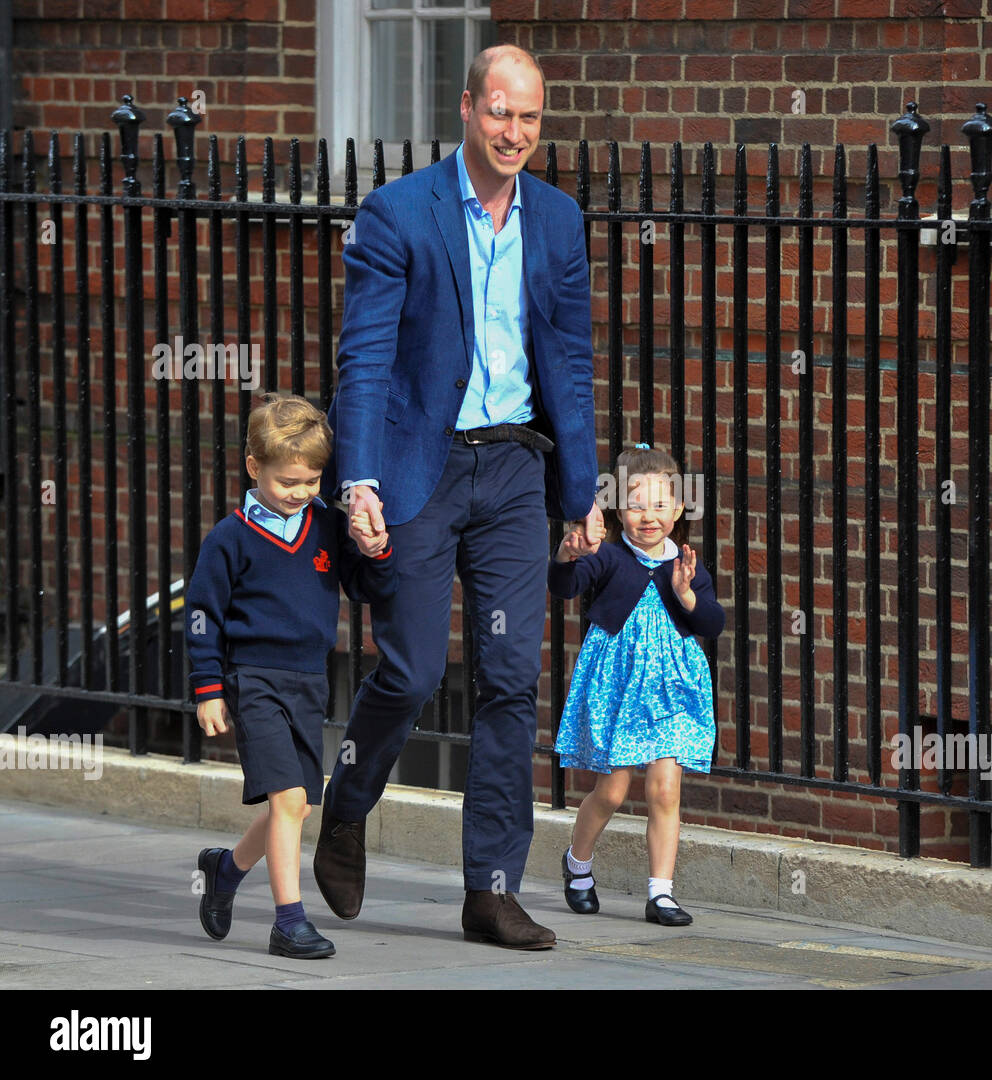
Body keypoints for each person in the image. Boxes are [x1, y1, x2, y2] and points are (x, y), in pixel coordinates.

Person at [315, 43, 603, 950]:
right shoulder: (398, 213)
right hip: (420, 468)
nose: (514, 133)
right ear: (468, 107)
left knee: (511, 677)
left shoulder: (558, 221)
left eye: (529, 118)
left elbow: (572, 363)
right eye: (499, 113)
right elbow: (362, 360)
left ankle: (490, 888)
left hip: (516, 469)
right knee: (411, 671)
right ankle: (348, 801)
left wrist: (580, 490)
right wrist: (357, 477)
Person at [185, 393, 396, 958]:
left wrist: (375, 550)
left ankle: (225, 871)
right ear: (254, 468)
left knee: (299, 803)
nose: (302, 491)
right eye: (288, 481)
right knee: (286, 798)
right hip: (252, 679)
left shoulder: (328, 524)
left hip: (309, 680)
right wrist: (208, 689)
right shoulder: (228, 540)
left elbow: (371, 588)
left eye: (313, 480)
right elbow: (202, 615)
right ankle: (289, 921)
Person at [548, 443, 725, 926]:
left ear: (679, 507)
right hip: (619, 687)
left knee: (666, 790)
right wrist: (565, 557)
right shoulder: (606, 557)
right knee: (612, 792)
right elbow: (565, 586)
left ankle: (661, 893)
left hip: (673, 689)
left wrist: (688, 596)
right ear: (616, 509)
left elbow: (713, 623)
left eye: (659, 505)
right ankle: (578, 864)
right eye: (635, 505)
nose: (648, 516)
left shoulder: (686, 564)